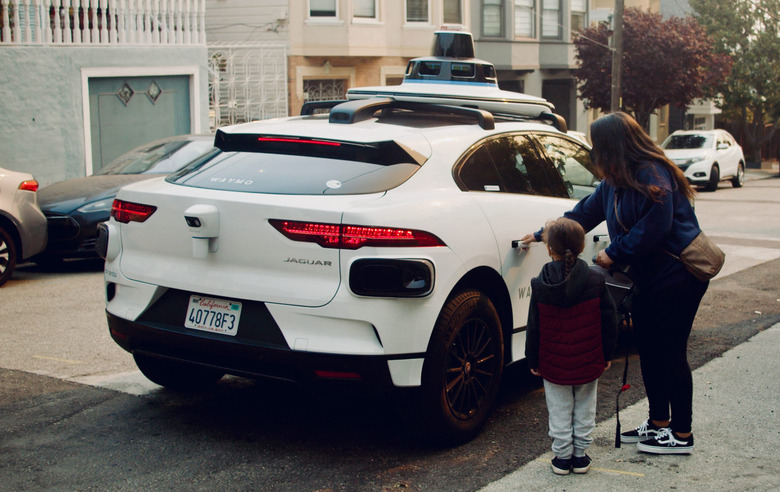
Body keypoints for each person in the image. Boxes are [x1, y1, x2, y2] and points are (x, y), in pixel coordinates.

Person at [521, 112, 709, 455]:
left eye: (597, 146)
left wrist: (613, 253)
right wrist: (541, 234)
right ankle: (659, 423)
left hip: (678, 275)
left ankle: (682, 434)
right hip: (650, 277)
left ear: (613, 146)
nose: (594, 153)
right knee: (649, 349)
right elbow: (582, 215)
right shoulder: (614, 184)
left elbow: (656, 226)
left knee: (670, 351)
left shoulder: (652, 173)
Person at [525, 217, 618, 475]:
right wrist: (606, 354)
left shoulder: (540, 284)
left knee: (559, 409)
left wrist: (533, 359)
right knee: (585, 407)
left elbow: (534, 326)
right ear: (581, 246)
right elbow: (609, 320)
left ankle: (562, 458)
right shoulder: (595, 280)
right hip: (588, 359)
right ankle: (580, 456)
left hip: (553, 362)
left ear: (549, 249)